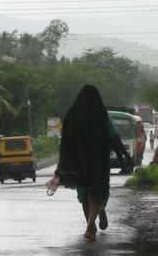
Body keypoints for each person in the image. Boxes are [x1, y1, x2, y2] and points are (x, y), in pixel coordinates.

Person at [53, 85, 129, 241]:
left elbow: (65, 143)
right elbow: (113, 137)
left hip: (78, 164)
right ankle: (91, 223)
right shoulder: (101, 115)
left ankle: (90, 224)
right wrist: (123, 156)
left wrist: (62, 166)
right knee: (96, 193)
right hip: (98, 163)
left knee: (83, 194)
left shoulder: (71, 116)